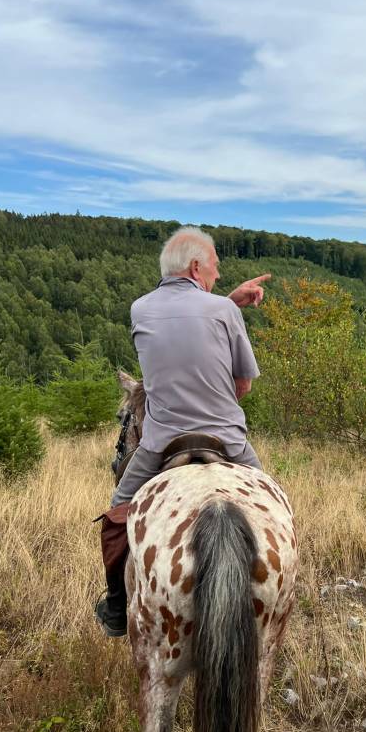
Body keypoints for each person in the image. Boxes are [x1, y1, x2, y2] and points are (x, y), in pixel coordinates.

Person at [94, 226, 269, 637]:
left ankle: (117, 608)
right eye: (215, 268)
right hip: (228, 442)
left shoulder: (140, 309)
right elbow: (242, 385)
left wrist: (228, 302)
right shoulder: (226, 313)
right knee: (274, 506)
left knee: (117, 518)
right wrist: (232, 308)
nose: (218, 277)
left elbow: (182, 330)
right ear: (195, 266)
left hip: (159, 445)